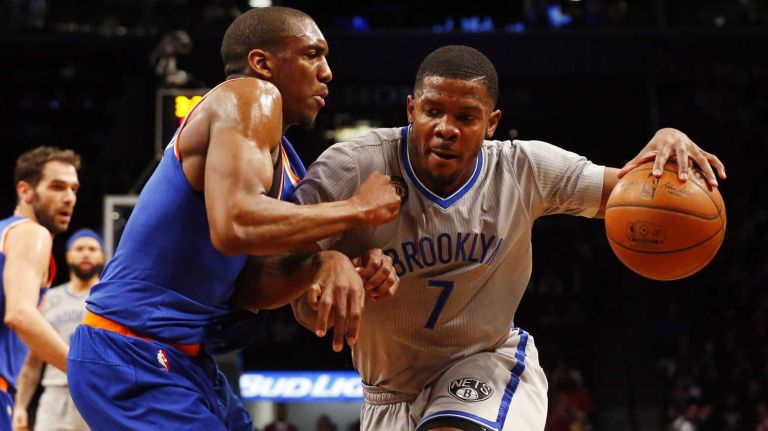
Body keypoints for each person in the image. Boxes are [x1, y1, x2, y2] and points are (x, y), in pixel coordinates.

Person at [286, 45, 727, 431]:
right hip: (385, 396)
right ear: (410, 110)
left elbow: (635, 197)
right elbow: (285, 285)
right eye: (432, 110)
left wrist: (668, 142)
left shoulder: (525, 169)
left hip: (485, 361)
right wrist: (331, 273)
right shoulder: (351, 166)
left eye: (466, 117)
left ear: (492, 122)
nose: (446, 127)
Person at [66, 6, 400, 430]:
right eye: (312, 54)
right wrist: (358, 208)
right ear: (262, 63)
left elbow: (252, 289)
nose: (327, 72)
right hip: (132, 350)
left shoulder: (289, 170)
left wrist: (329, 266)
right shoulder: (247, 95)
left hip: (188, 361)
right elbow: (234, 225)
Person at [1, 147, 80, 431]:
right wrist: (83, 371)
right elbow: (20, 314)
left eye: (73, 189)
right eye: (57, 187)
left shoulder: (4, 232)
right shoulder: (31, 232)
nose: (69, 198)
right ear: (25, 191)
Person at [12, 229, 105, 431]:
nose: (86, 253)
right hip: (54, 394)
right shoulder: (48, 299)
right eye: (79, 248)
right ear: (68, 255)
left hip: (96, 393)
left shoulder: (110, 300)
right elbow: (32, 360)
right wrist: (20, 406)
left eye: (92, 249)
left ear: (103, 255)